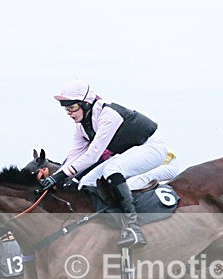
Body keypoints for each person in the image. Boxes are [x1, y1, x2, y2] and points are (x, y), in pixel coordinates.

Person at [39, 79, 174, 247]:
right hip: (131, 152)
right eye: (66, 108)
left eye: (72, 107)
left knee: (112, 169)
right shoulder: (81, 127)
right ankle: (109, 224)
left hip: (152, 148)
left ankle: (133, 228)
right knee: (86, 182)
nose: (69, 112)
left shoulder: (108, 115)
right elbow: (73, 156)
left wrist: (59, 176)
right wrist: (57, 177)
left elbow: (92, 155)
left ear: (86, 104)